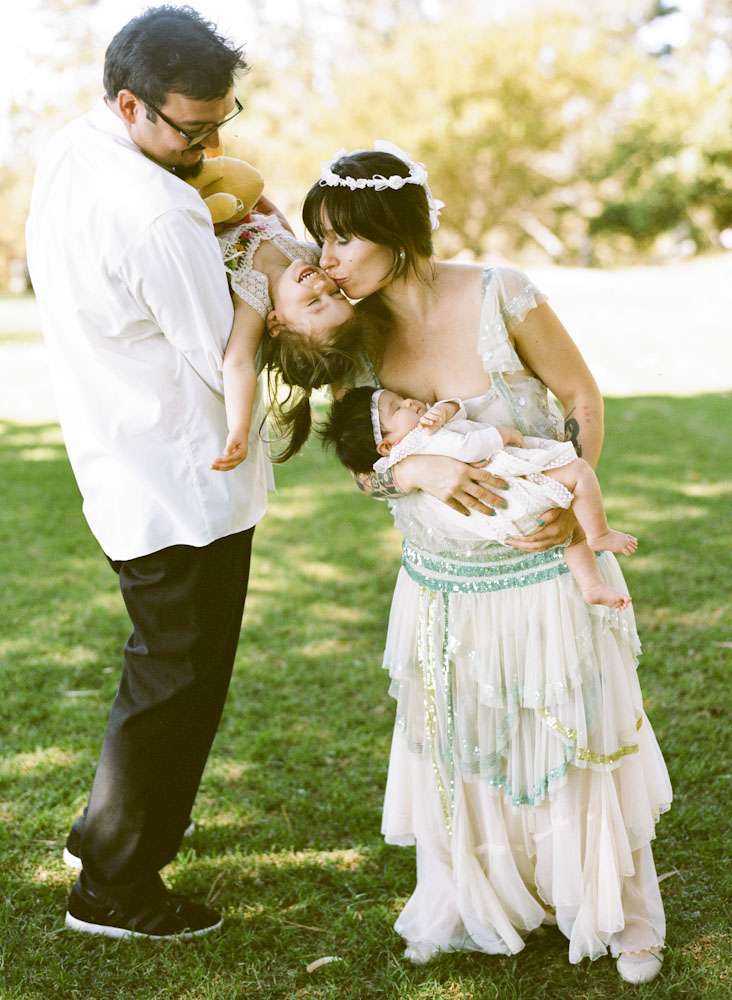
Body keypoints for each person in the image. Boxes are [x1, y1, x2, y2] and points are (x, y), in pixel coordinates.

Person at [291, 143, 672, 983]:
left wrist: (572, 498)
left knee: (576, 736)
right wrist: (416, 470)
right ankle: (485, 897)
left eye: (342, 238)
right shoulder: (355, 333)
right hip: (442, 585)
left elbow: (581, 397)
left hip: (544, 568)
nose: (328, 257)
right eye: (321, 239)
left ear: (394, 231)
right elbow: (363, 462)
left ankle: (620, 912)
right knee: (469, 747)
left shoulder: (503, 293)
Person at [26, 6, 272, 939]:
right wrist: (261, 262)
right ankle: (115, 887)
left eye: (221, 121)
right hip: (183, 477)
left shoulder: (72, 150)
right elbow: (220, 353)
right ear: (131, 103)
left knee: (161, 664)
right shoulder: (160, 211)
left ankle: (107, 831)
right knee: (178, 681)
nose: (208, 148)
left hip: (120, 452)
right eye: (192, 130)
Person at [322, 387, 638, 609]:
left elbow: (459, 411)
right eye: (397, 408)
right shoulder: (422, 440)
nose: (409, 402)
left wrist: (444, 409)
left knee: (571, 537)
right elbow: (468, 447)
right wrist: (502, 435)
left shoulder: (402, 450)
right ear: (387, 445)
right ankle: (600, 534)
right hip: (512, 494)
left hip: (503, 517)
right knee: (579, 472)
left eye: (401, 398)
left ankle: (592, 586)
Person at [208, 212, 358, 473]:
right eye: (336, 293)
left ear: (277, 323)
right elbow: (283, 233)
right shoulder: (311, 258)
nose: (321, 284)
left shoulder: (254, 294)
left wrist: (239, 428)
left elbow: (239, 362)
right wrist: (268, 209)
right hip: (242, 207)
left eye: (313, 302)